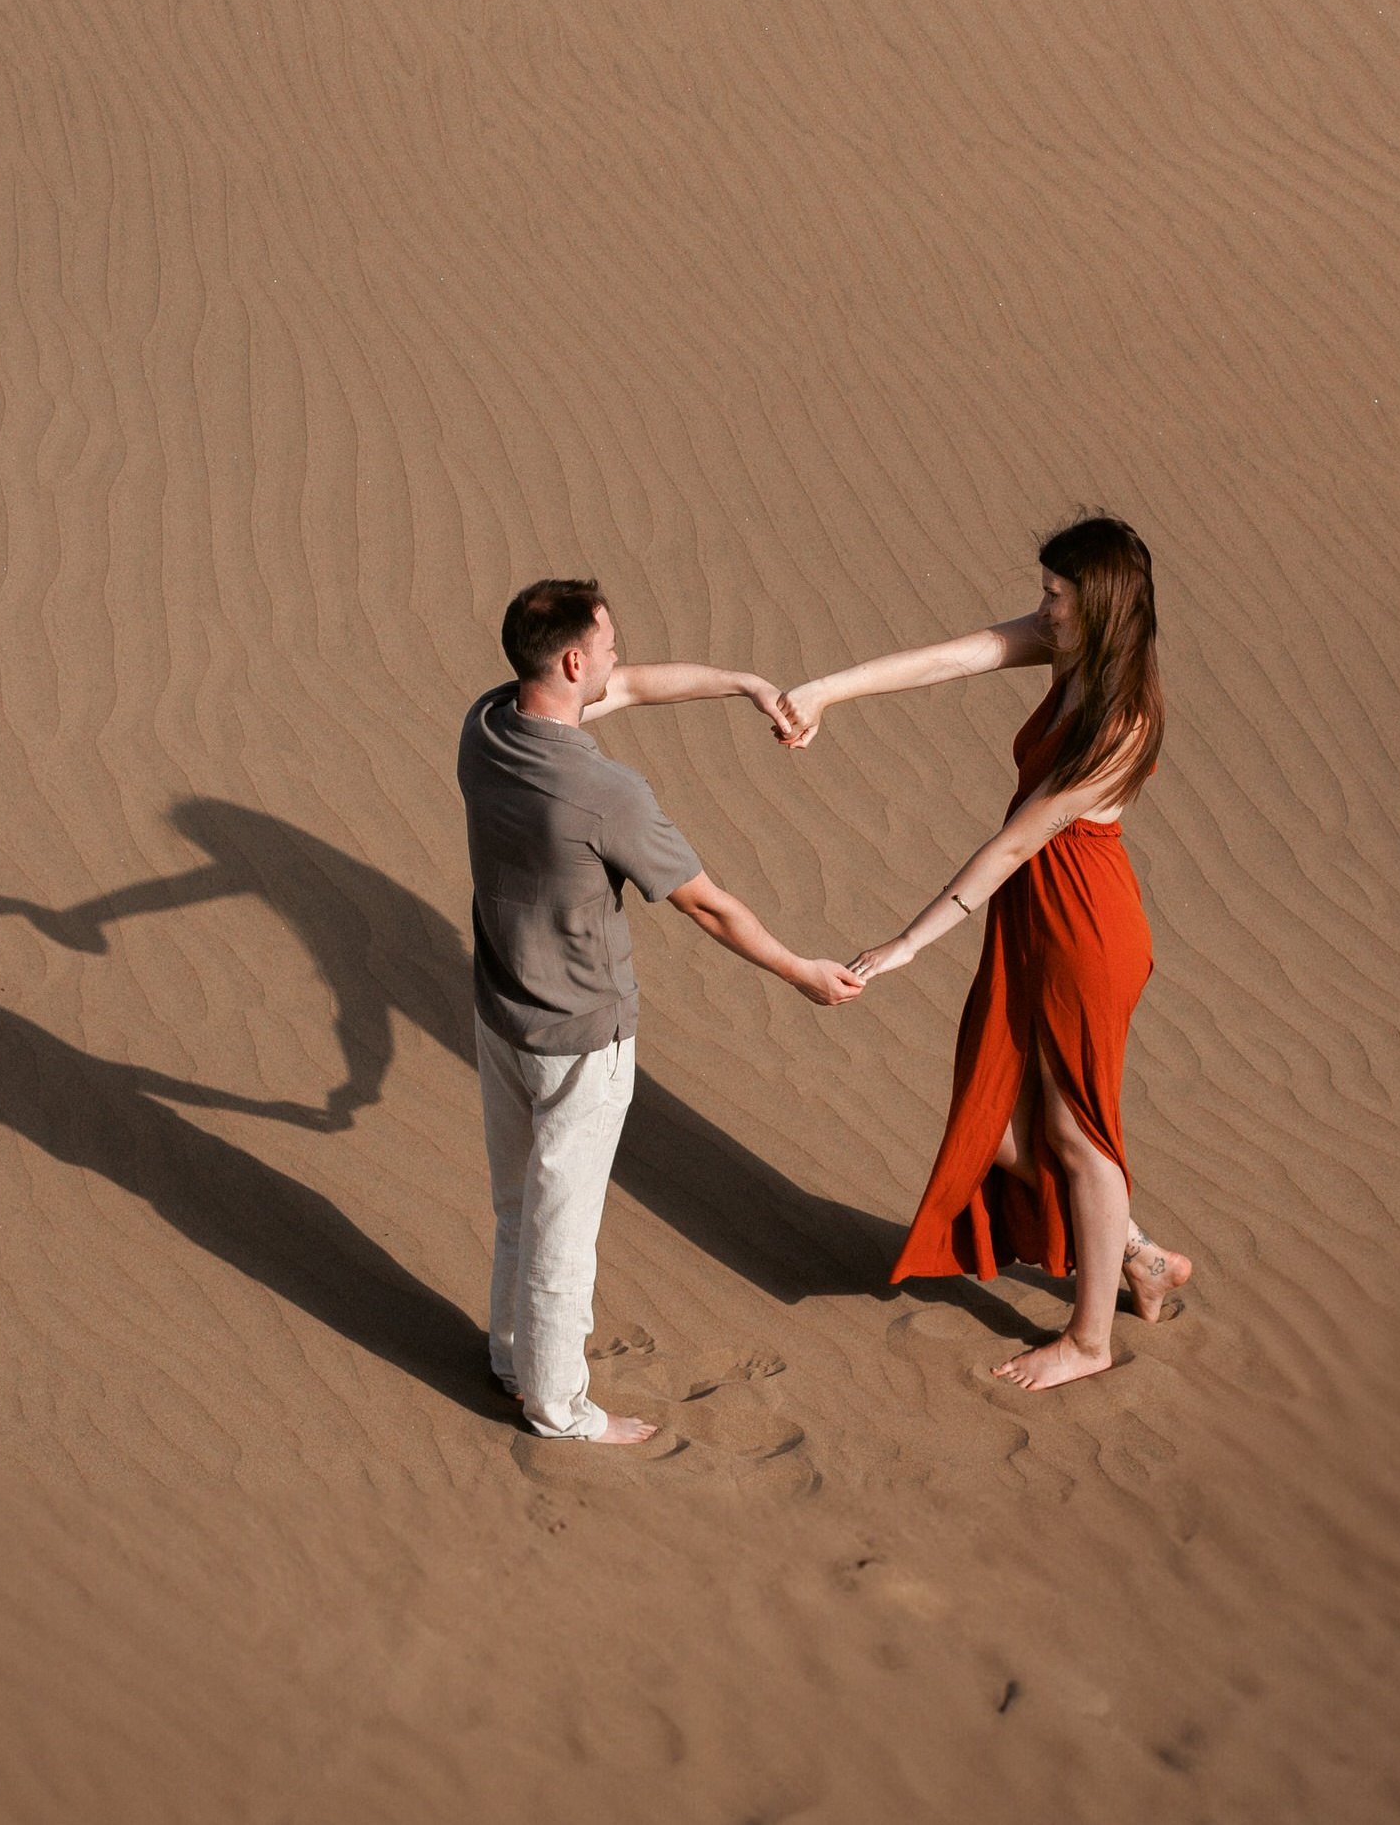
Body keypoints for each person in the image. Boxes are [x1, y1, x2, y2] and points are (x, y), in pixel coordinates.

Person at [777, 515, 1191, 1391]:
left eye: (1054, 597)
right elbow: (954, 657)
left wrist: (905, 944)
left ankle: (1088, 1342)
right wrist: (822, 691)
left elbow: (1013, 843)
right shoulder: (1070, 649)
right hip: (1033, 915)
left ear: (1100, 607)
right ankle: (1141, 1256)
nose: (1040, 609)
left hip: (1085, 929)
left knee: (1077, 1139)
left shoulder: (1121, 721)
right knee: (1003, 1131)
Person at [461, 578, 864, 1444]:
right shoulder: (604, 794)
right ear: (572, 660)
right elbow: (707, 905)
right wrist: (801, 971)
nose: (617, 657)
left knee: (513, 1207)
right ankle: (558, 1406)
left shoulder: (488, 722)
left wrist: (746, 683)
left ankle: (509, 1358)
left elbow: (635, 686)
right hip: (580, 1040)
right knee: (563, 1232)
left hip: (498, 1014)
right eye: (606, 643)